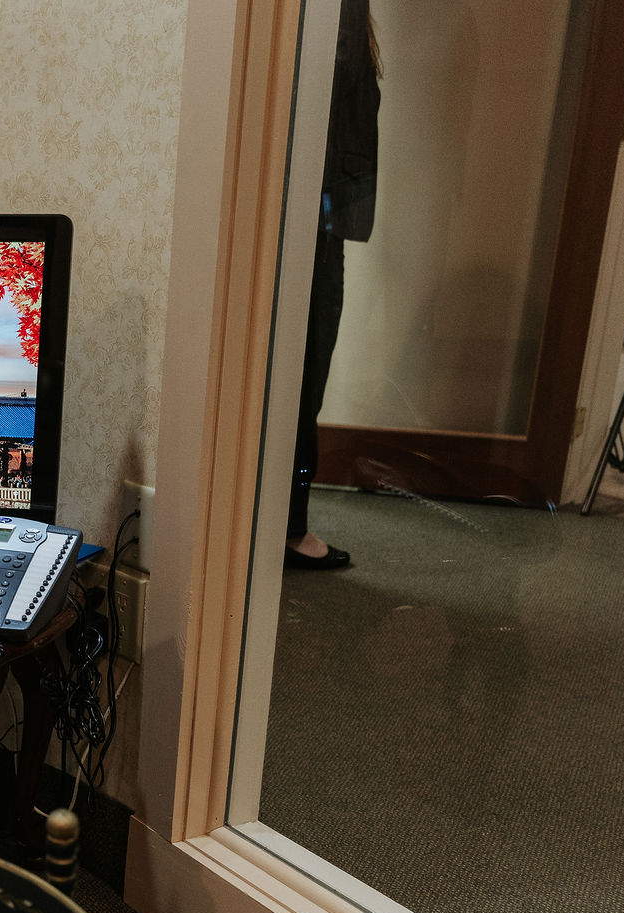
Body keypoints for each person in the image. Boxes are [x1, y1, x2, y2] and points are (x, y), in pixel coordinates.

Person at [287, 0, 380, 570]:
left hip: (318, 218)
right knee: (302, 384)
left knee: (299, 382)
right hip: (315, 225)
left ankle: (287, 523)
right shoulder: (338, 11)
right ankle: (290, 529)